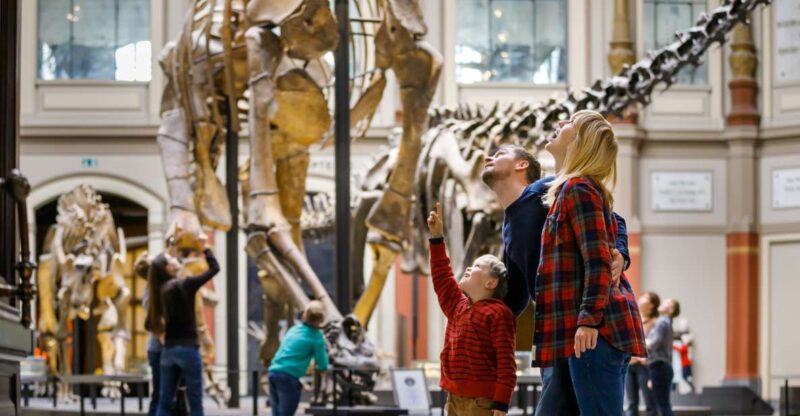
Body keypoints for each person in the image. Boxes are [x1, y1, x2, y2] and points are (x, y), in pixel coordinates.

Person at [481, 143, 632, 415]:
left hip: (582, 325)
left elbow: (613, 216)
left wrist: (621, 251)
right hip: (555, 331)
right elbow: (515, 297)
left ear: (522, 165)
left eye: (500, 154)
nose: (487, 157)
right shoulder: (509, 224)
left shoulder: (547, 189)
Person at [536, 110, 646, 415]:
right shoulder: (575, 189)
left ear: (581, 140)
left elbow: (597, 261)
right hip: (593, 330)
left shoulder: (579, 189)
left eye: (570, 122)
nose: (560, 123)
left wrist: (588, 319)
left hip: (597, 330)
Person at [427, 202, 516, 416]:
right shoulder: (457, 306)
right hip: (453, 398)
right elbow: (442, 276)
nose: (469, 268)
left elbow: (506, 362)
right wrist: (437, 238)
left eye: (477, 267)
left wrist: (501, 403)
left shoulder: (498, 314)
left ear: (491, 283)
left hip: (481, 403)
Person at [156, 236, 219, 416]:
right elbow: (215, 268)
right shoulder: (187, 284)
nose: (176, 261)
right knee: (195, 401)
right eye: (172, 261)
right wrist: (205, 247)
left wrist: (171, 247)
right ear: (169, 268)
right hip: (188, 349)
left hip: (168, 349)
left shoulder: (161, 289)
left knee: (165, 400)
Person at [267, 301, 330, 416]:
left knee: (276, 413)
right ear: (321, 318)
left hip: (273, 372)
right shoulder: (316, 337)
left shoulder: (294, 329)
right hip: (288, 377)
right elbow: (322, 364)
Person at [626, 291, 660, 416]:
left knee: (650, 402)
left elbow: (654, 345)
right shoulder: (634, 318)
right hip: (630, 364)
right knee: (631, 403)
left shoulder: (656, 323)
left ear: (652, 305)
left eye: (645, 297)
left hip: (645, 366)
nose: (640, 298)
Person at [648, 298, 680, 416]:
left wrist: (641, 344)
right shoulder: (666, 322)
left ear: (671, 310)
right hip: (662, 367)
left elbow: (654, 343)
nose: (663, 302)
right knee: (663, 405)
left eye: (667, 303)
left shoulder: (662, 322)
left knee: (663, 406)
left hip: (659, 366)